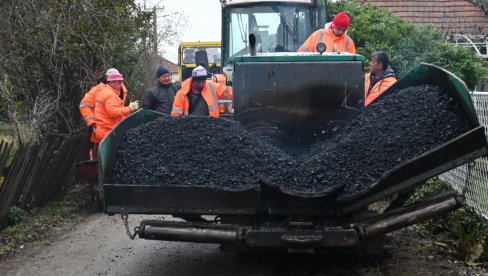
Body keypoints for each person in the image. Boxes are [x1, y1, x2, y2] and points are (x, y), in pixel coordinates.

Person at [80, 68, 128, 157]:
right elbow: (84, 105)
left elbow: (117, 107)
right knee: (100, 153)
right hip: (100, 126)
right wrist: (92, 122)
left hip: (113, 127)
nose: (120, 83)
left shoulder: (120, 88)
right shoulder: (98, 90)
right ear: (108, 80)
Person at [93, 71, 139, 144]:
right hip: (108, 132)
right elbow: (113, 113)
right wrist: (129, 108)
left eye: (122, 82)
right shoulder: (110, 95)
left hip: (102, 130)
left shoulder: (104, 91)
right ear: (111, 83)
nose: (121, 85)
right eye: (119, 82)